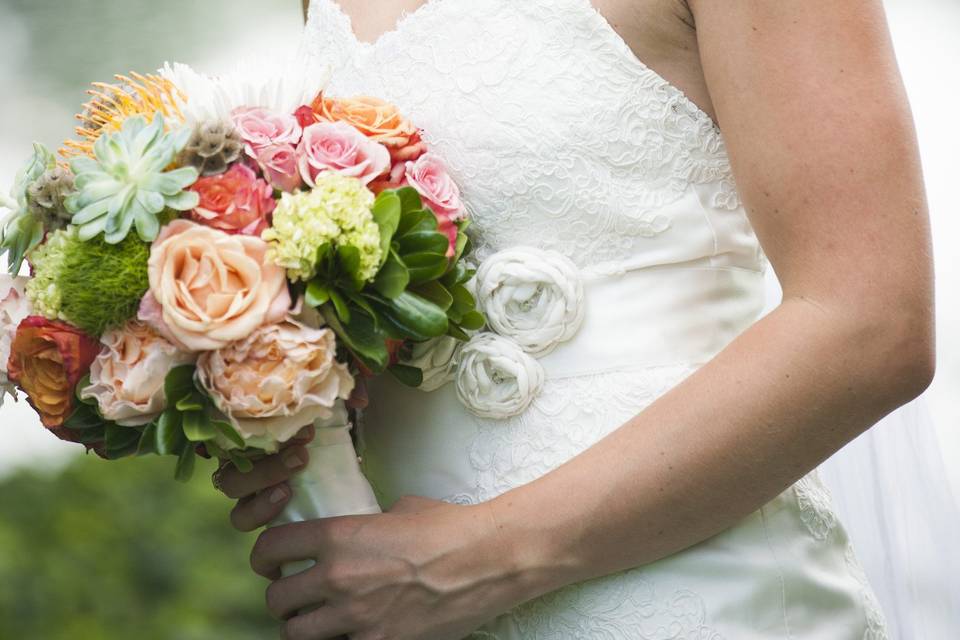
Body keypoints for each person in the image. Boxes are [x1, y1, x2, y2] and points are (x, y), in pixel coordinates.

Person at [216, 1, 941, 638]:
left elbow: (869, 325)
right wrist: (274, 393)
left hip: (685, 598)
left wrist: (478, 559)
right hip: (397, 608)